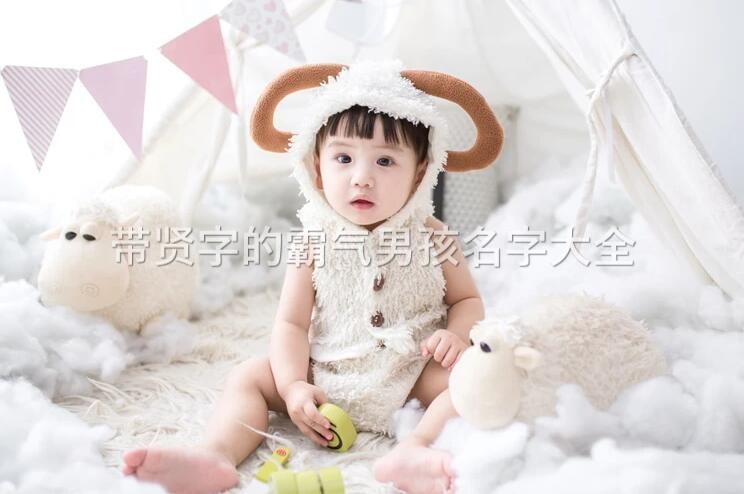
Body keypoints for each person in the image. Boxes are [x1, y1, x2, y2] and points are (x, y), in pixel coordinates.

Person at [120, 61, 503, 494]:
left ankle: (414, 448)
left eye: (385, 160)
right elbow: (292, 323)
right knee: (249, 376)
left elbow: (467, 301)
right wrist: (293, 386)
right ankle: (215, 455)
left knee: (475, 378)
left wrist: (455, 335)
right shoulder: (314, 241)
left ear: (419, 172)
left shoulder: (435, 236)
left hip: (411, 373)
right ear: (316, 167)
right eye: (343, 158)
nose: (362, 178)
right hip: (326, 374)